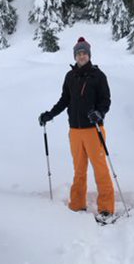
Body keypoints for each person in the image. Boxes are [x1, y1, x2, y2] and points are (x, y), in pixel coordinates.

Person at [39, 37, 113, 220]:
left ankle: (106, 208)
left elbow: (106, 101)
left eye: (84, 53)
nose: (81, 56)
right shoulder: (70, 76)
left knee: (100, 169)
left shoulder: (98, 75)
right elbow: (65, 100)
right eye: (78, 53)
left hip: (93, 130)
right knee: (79, 170)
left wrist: (99, 113)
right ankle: (77, 205)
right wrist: (50, 114)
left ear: (89, 55)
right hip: (75, 131)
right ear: (75, 56)